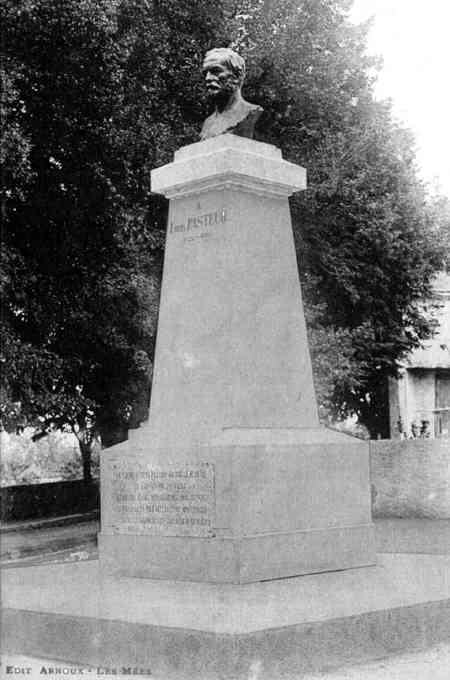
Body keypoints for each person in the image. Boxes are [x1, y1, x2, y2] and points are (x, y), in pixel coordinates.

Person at [200, 47, 263, 140]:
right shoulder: (207, 123)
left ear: (238, 76)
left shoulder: (251, 113)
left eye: (216, 71)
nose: (208, 78)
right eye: (205, 73)